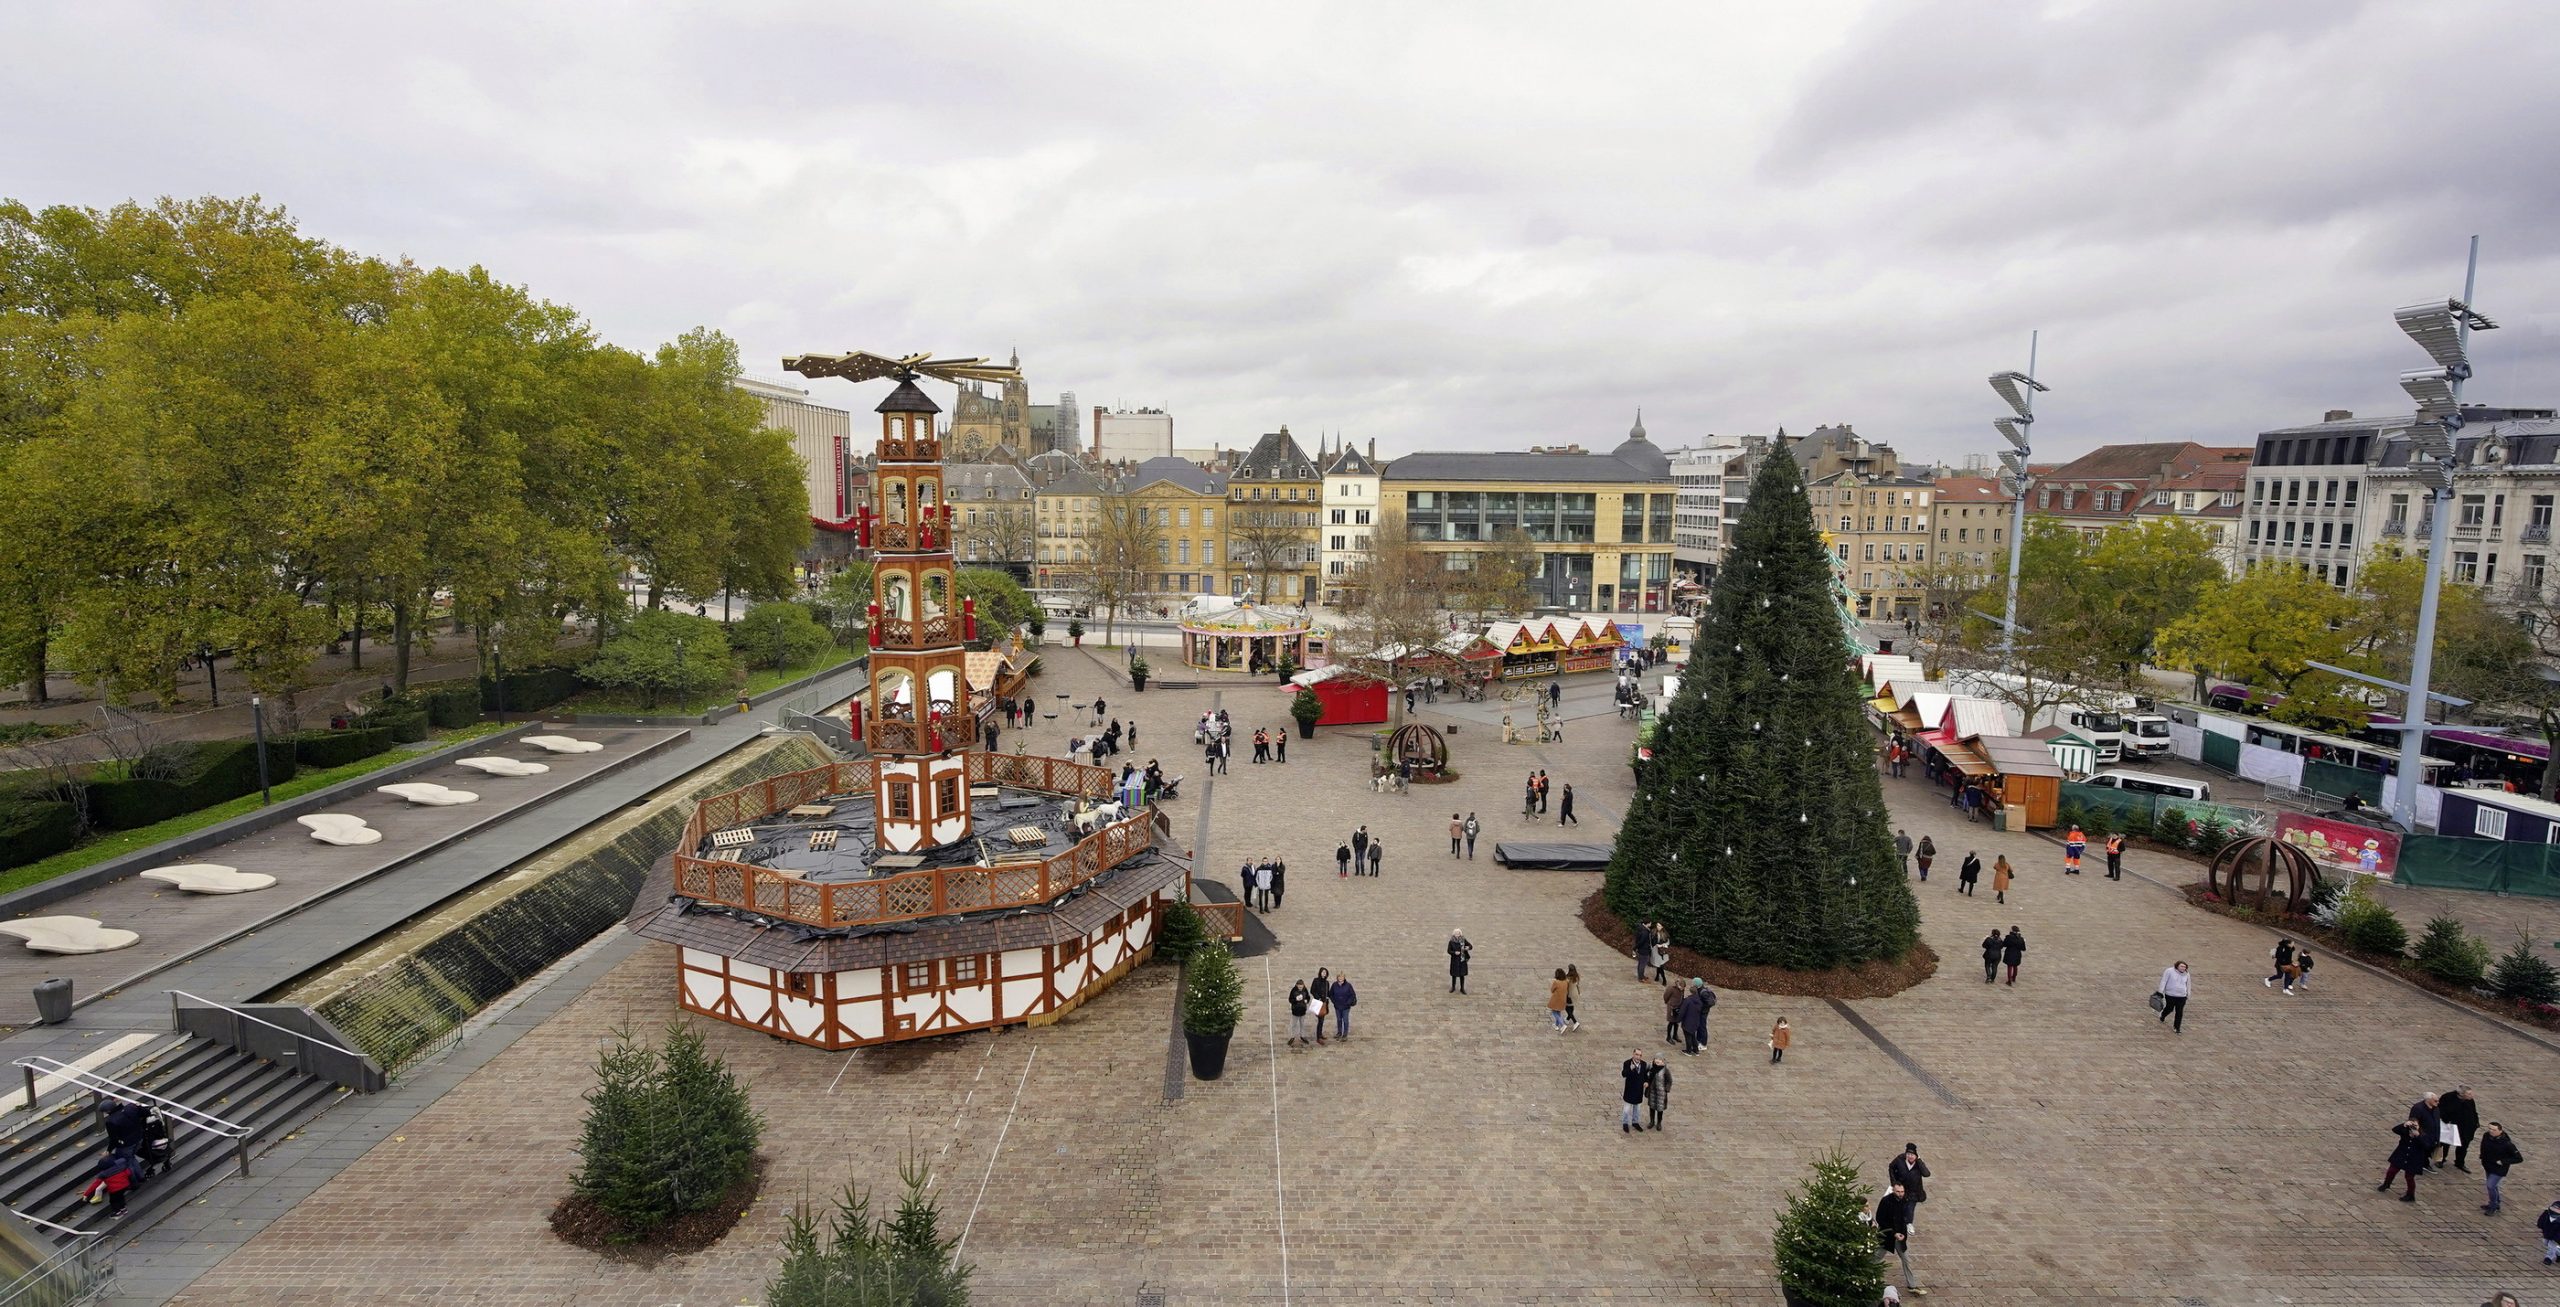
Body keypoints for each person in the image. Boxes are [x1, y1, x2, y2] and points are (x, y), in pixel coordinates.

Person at [1875, 1181, 1923, 1296]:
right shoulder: (1886, 1201)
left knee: (1906, 1260)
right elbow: (1880, 1219)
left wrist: (1903, 1233)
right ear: (1893, 1190)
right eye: (1898, 1191)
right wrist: (1893, 1233)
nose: (1900, 1194)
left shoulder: (1904, 1200)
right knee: (1876, 1257)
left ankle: (1912, 1285)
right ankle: (1865, 1276)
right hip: (1887, 1236)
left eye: (1902, 1191)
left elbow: (1904, 1219)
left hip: (1900, 1237)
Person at [2381, 1115, 2431, 1201]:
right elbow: (2395, 1130)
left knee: (2409, 1177)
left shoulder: (2423, 1135)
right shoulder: (2405, 1131)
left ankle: (2410, 1195)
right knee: (2392, 1171)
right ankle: (2386, 1184)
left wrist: (2418, 1136)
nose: (2413, 1127)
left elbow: (2427, 1145)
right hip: (2401, 1155)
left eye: (2415, 1125)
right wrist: (2404, 1125)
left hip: (2413, 1159)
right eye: (2412, 1125)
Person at [81, 1145, 140, 1219]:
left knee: (113, 1201)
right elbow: (129, 1173)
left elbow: (95, 1184)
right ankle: (123, 1209)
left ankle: (117, 1212)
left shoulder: (104, 1174)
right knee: (121, 1197)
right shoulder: (121, 1167)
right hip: (125, 1186)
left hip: (115, 1190)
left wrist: (86, 1194)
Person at [2477, 1121, 2520, 1214]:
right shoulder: (2486, 1136)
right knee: (2494, 1186)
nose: (2491, 1131)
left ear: (2500, 1131)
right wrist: (2482, 1156)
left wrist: (2503, 1161)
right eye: (2490, 1129)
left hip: (2499, 1169)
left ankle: (2493, 1206)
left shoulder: (2507, 1143)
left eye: (2494, 1130)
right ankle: (2496, 1203)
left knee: (2490, 1186)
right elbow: (2483, 1146)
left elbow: (2518, 1158)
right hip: (2488, 1165)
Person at [2441, 1085, 2480, 1169]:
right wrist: (2446, 1120)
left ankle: (2460, 1162)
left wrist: (2476, 1123)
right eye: (2469, 1094)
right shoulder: (2447, 1098)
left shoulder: (2469, 1100)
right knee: (2445, 1144)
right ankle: (2441, 1159)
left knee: (2463, 1145)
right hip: (2451, 1126)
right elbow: (2441, 1110)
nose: (2472, 1095)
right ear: (2461, 1094)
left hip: (2466, 1127)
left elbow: (2473, 1112)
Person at [1619, 1050, 1651, 1133]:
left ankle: (1635, 1122)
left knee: (1637, 1108)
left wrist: (1646, 1082)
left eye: (1640, 1055)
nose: (1638, 1057)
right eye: (1636, 1054)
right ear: (1633, 1054)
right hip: (1630, 1090)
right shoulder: (1627, 1063)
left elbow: (1645, 1076)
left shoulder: (1644, 1064)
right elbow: (1623, 1074)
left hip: (1639, 1090)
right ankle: (1625, 1123)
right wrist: (1630, 1068)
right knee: (1627, 1108)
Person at [2157, 961, 2192, 1033]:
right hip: (2170, 994)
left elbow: (2188, 984)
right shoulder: (2169, 971)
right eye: (2181, 966)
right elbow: (2164, 981)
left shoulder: (2187, 974)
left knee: (2179, 1012)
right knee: (2170, 1008)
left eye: (2184, 967)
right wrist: (2160, 991)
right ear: (2177, 966)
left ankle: (2177, 1027)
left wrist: (2188, 994)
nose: (2183, 968)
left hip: (2182, 996)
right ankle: (2163, 1015)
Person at [1680, 980, 1714, 1055]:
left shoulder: (1703, 993)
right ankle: (1697, 1044)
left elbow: (1708, 1003)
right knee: (1698, 1028)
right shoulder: (1700, 991)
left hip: (1703, 1013)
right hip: (1700, 1013)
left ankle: (1703, 1044)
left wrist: (1701, 1008)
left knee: (1702, 1027)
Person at [1644, 1054, 1672, 1130]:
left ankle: (1659, 1123)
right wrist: (1646, 1080)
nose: (1657, 1060)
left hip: (1661, 1093)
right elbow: (1644, 1071)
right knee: (1652, 1107)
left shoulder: (1665, 1070)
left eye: (1659, 1059)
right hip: (1652, 1091)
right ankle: (1652, 1121)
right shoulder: (1651, 1067)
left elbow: (1669, 1080)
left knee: (1660, 1109)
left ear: (1663, 1061)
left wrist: (1666, 1089)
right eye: (1656, 1058)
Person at [1286, 978, 1312, 1048]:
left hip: (1303, 1010)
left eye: (1301, 987)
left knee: (1302, 1024)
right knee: (1294, 1025)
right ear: (1297, 985)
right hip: (1295, 1010)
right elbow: (1290, 999)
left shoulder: (1305, 990)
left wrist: (1307, 1000)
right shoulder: (1293, 990)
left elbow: (1308, 997)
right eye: (1299, 987)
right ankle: (1292, 1037)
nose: (1300, 988)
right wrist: (1296, 1000)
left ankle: (1302, 1036)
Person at [1329, 973, 1356, 1041]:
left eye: (1342, 977)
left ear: (1344, 978)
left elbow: (1352, 995)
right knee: (1339, 1019)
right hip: (1337, 1006)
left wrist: (1348, 1002)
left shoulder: (1348, 985)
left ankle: (1345, 1034)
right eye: (1339, 977)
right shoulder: (1334, 985)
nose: (1340, 978)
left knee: (1345, 1020)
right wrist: (1334, 1001)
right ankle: (1339, 1032)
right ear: (1337, 978)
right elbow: (1331, 994)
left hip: (1346, 1007)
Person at [1308, 968, 1331, 1045]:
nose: (1324, 973)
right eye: (1323, 972)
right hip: (1318, 1003)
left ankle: (1320, 1034)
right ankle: (1318, 1037)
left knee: (1322, 1020)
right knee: (1320, 1020)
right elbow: (1312, 990)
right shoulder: (1316, 980)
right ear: (1320, 973)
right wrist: (1318, 998)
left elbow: (1328, 992)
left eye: (1325, 972)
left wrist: (1327, 998)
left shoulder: (1327, 982)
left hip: (1324, 1003)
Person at [1661, 980, 1685, 1045]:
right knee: (1671, 1022)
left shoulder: (1682, 989)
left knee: (1676, 1022)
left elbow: (1682, 996)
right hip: (1671, 1007)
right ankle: (1668, 1037)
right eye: (1681, 986)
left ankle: (1675, 1035)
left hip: (1678, 1007)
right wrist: (1668, 1002)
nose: (1682, 988)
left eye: (1683, 987)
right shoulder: (1671, 988)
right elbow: (1666, 996)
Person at [2539, 1195, 2560, 1263]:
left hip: (2556, 1236)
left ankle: (2548, 1258)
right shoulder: (2546, 1214)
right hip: (2547, 1233)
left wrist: (2556, 1238)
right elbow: (2541, 1221)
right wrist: (2541, 1225)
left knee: (2552, 1245)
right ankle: (2559, 1253)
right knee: (2545, 1242)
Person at [1564, 964, 1582, 1030]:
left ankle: (1575, 1022)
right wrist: (1579, 992)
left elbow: (1565, 986)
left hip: (1569, 994)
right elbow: (1577, 985)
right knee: (1571, 1006)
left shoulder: (1568, 977)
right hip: (1575, 993)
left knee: (1567, 1008)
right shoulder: (1577, 976)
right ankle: (1567, 1019)